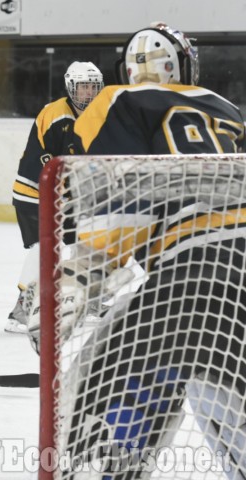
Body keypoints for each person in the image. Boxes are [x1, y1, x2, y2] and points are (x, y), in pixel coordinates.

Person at [44, 22, 246, 476]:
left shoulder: (118, 99)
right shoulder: (228, 110)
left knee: (100, 378)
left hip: (197, 270)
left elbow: (128, 195)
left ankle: (102, 464)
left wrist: (82, 275)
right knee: (217, 388)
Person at [6, 61, 103, 333]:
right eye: (84, 87)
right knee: (43, 248)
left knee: (90, 243)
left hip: (68, 197)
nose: (89, 93)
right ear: (71, 87)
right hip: (33, 194)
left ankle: (91, 302)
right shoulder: (55, 114)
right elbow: (44, 161)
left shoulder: (95, 116)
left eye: (93, 87)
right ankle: (21, 312)